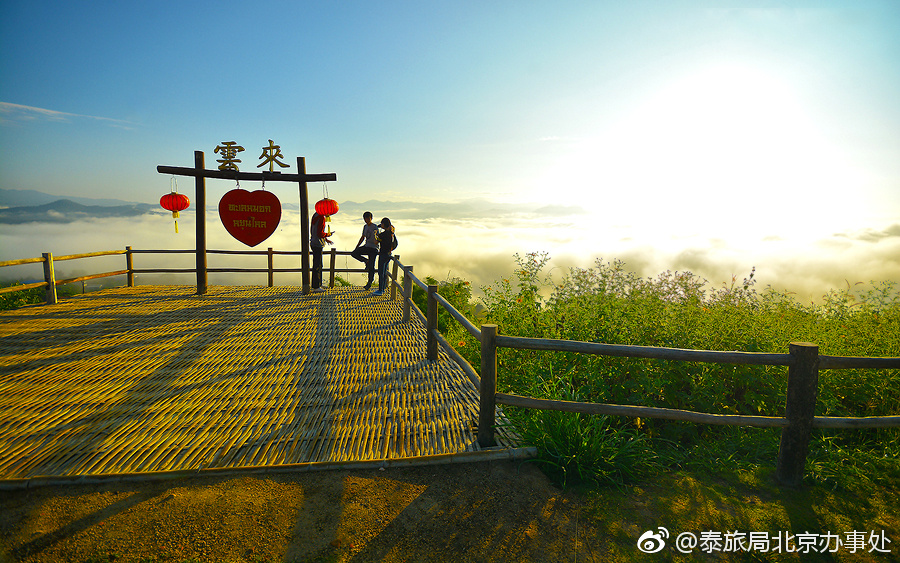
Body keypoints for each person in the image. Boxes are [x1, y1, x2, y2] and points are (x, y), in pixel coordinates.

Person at [350, 211, 379, 290]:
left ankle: (369, 283)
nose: (366, 220)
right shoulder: (365, 227)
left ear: (371, 218)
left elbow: (378, 238)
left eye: (368, 218)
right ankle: (366, 261)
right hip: (367, 246)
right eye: (365, 219)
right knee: (354, 253)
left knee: (371, 266)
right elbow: (363, 237)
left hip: (374, 248)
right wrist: (357, 246)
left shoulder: (375, 226)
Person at [309, 211, 333, 293]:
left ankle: (318, 284)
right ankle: (316, 286)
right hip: (318, 244)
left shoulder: (315, 215)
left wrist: (326, 239)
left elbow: (314, 231)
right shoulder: (321, 218)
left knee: (318, 264)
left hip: (313, 242)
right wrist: (327, 235)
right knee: (317, 265)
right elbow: (320, 233)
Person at [373, 217, 395, 296]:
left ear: (384, 224)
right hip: (389, 254)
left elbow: (376, 242)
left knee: (381, 272)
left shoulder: (383, 234)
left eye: (381, 223)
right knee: (384, 271)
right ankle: (384, 288)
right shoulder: (391, 232)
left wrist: (375, 234)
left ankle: (380, 290)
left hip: (383, 254)